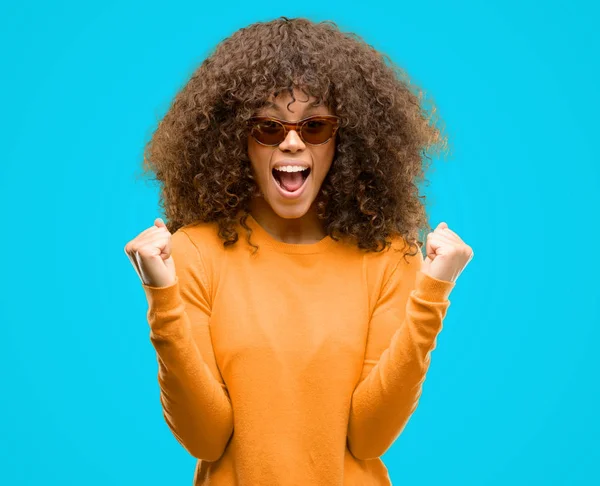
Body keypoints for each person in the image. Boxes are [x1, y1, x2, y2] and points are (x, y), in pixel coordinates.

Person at [124, 16, 474, 486]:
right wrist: (161, 297)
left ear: (343, 139)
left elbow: (370, 439)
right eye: (269, 127)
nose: (292, 141)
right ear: (237, 140)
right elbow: (205, 439)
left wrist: (433, 294)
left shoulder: (390, 258)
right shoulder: (193, 254)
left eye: (315, 125)